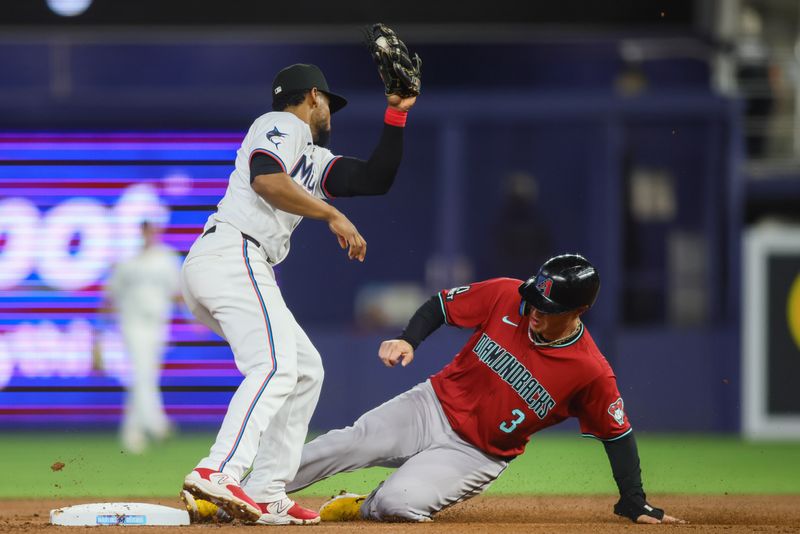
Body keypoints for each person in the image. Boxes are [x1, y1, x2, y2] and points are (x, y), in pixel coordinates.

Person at [184, 253, 683, 524]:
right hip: (430, 404)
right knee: (343, 442)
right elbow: (442, 305)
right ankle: (243, 495)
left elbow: (618, 434)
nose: (533, 312)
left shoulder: (590, 370)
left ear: (578, 313)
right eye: (533, 302)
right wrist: (408, 339)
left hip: (477, 453)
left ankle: (362, 506)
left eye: (547, 311)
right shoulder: (509, 293)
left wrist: (632, 499)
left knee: (398, 507)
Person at [179, 63, 417, 525]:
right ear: (312, 96)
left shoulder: (309, 158)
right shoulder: (281, 124)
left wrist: (397, 114)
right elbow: (266, 179)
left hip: (233, 261)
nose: (331, 112)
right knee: (272, 366)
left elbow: (375, 179)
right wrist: (331, 215)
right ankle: (217, 468)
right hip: (234, 253)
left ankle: (267, 489)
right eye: (329, 102)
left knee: (304, 370)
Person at [105, 221, 181, 454]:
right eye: (145, 230)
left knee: (145, 376)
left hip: (158, 323)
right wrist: (99, 330)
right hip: (132, 322)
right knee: (142, 372)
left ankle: (132, 433)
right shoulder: (128, 261)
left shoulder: (166, 258)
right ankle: (157, 423)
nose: (148, 234)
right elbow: (110, 295)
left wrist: (194, 317)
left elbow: (177, 292)